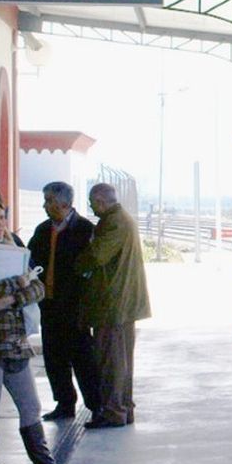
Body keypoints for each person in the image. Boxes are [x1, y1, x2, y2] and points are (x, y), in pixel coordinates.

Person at [0, 197, 83, 464]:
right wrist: (16, 287)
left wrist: (14, 296)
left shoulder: (14, 247)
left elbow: (38, 287)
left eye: (2, 218)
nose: (0, 224)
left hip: (15, 342)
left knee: (30, 406)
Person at [77, 183, 151, 430]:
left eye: (92, 203)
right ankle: (123, 408)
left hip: (113, 303)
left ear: (101, 201)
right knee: (121, 359)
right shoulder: (120, 218)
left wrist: (77, 262)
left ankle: (114, 411)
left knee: (112, 361)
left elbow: (97, 255)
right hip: (120, 303)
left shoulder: (114, 222)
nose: (91, 208)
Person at [28, 181, 98, 419]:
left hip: (75, 304)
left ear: (65, 203)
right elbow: (31, 259)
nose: (45, 205)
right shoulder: (42, 230)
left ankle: (95, 404)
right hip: (49, 303)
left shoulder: (85, 229)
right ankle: (64, 402)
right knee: (54, 357)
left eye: (49, 201)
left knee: (82, 356)